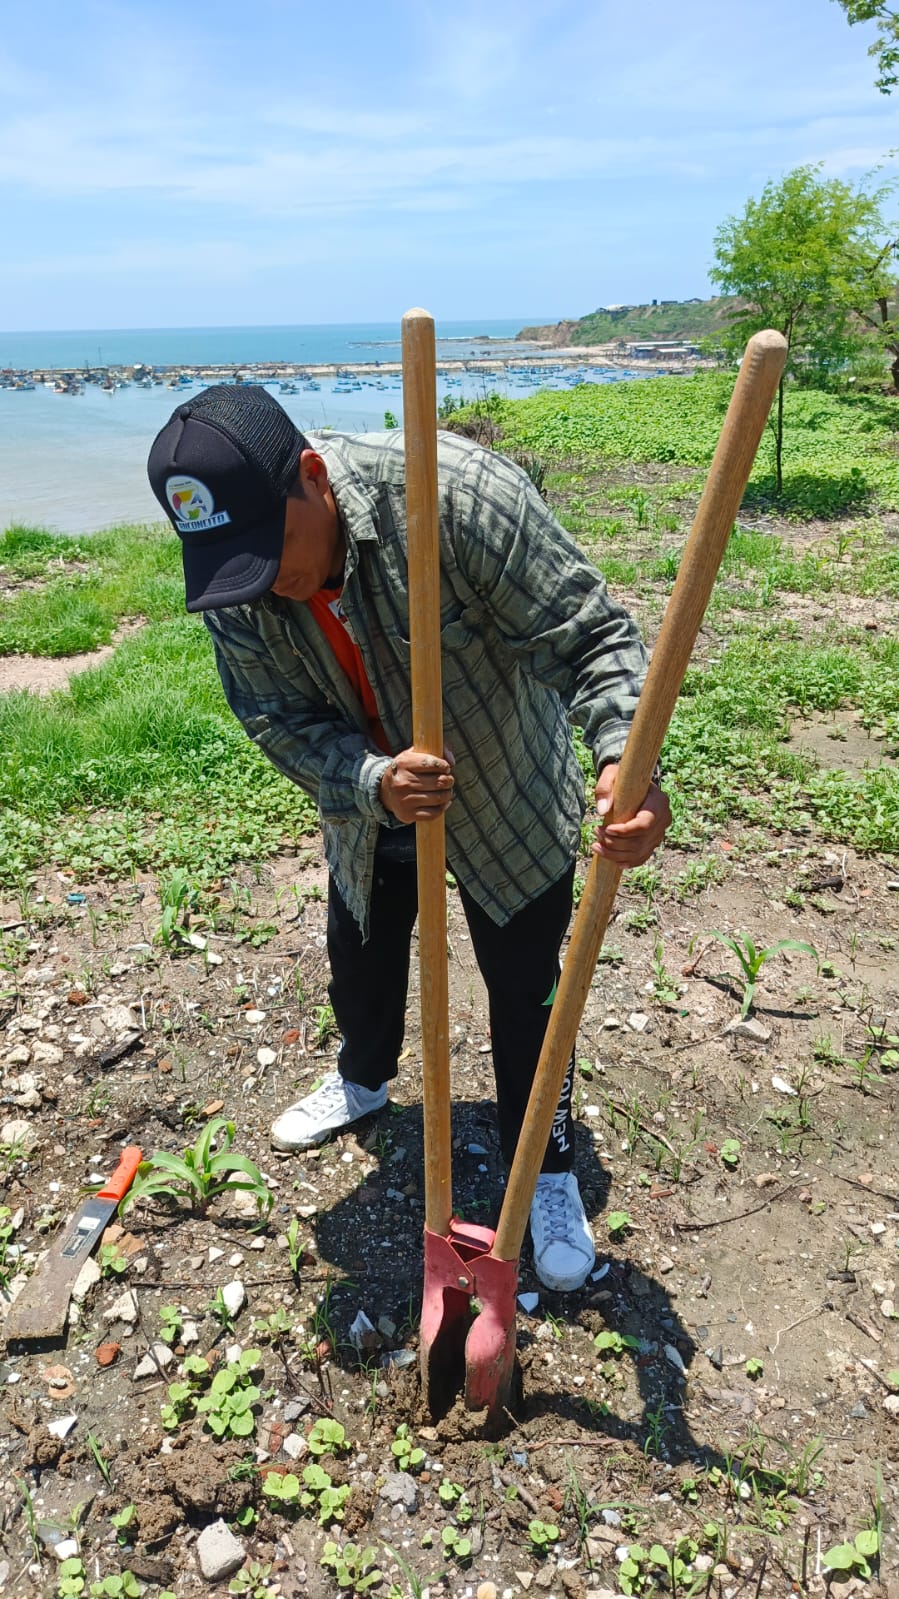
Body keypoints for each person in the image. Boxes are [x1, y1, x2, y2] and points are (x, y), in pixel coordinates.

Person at [147, 384, 670, 1293]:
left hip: (503, 788)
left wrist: (626, 755)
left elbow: (589, 635)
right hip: (374, 795)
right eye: (234, 562)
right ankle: (362, 1079)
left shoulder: (452, 496)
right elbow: (272, 716)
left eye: (271, 547)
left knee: (525, 985)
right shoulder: (236, 576)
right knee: (361, 949)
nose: (261, 580)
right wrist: (370, 781)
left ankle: (544, 1164)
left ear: (313, 476)